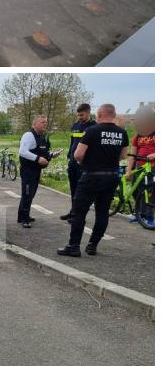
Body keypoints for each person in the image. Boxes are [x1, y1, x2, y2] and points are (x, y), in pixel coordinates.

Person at [57, 104, 129, 257]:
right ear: (113, 114)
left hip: (92, 176)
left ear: (100, 114)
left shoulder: (92, 131)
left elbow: (77, 154)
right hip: (111, 176)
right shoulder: (122, 133)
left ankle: (74, 246)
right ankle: (92, 245)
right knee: (102, 212)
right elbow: (123, 156)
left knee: (79, 212)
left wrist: (87, 161)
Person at [17, 115, 60, 228]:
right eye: (42, 122)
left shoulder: (42, 137)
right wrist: (37, 159)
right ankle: (24, 219)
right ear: (35, 123)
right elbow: (22, 152)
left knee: (31, 194)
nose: (45, 124)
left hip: (36, 170)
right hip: (28, 170)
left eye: (46, 122)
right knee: (27, 193)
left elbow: (42, 152)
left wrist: (51, 155)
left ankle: (22, 215)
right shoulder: (28, 135)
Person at [60, 104, 94, 222]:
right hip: (73, 162)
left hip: (84, 164)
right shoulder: (75, 126)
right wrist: (70, 155)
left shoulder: (94, 127)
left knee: (81, 191)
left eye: (82, 115)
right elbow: (72, 142)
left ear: (88, 112)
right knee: (73, 189)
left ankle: (78, 216)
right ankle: (73, 212)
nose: (79, 117)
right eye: (78, 115)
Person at [125, 106, 154, 229]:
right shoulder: (137, 136)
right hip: (140, 166)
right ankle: (139, 214)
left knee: (151, 192)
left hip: (153, 167)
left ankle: (150, 216)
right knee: (137, 190)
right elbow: (133, 154)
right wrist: (129, 171)